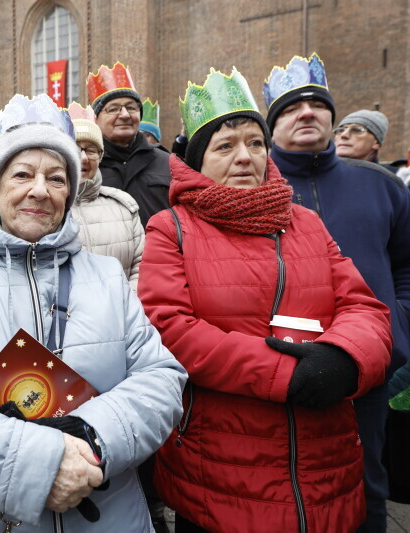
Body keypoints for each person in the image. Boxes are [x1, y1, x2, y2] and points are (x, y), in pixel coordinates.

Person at [0, 94, 187, 532]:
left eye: (56, 178)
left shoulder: (106, 277)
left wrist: (91, 438)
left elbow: (161, 380)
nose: (39, 190)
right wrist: (35, 465)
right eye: (22, 174)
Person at [140, 67, 393, 533]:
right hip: (222, 468)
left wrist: (344, 359)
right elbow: (169, 327)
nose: (245, 157)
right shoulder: (171, 228)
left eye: (255, 143)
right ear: (197, 161)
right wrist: (285, 374)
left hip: (325, 459)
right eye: (225, 146)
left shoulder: (306, 223)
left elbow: (364, 307)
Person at [264, 53, 410, 533]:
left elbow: (406, 266)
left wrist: (398, 330)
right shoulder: (253, 186)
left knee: (367, 488)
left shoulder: (382, 186)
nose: (306, 113)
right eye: (290, 108)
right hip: (281, 373)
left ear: (332, 117)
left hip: (370, 372)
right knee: (282, 493)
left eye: (317, 106)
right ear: (271, 125)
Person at [67, 103, 144, 312]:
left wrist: (124, 308)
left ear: (100, 156)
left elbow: (142, 265)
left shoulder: (124, 206)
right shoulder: (45, 208)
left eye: (90, 150)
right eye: (75, 148)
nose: (83, 157)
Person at [87, 62, 171, 226]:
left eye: (131, 108)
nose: (125, 115)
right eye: (113, 109)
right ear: (96, 119)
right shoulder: (87, 167)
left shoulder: (167, 162)